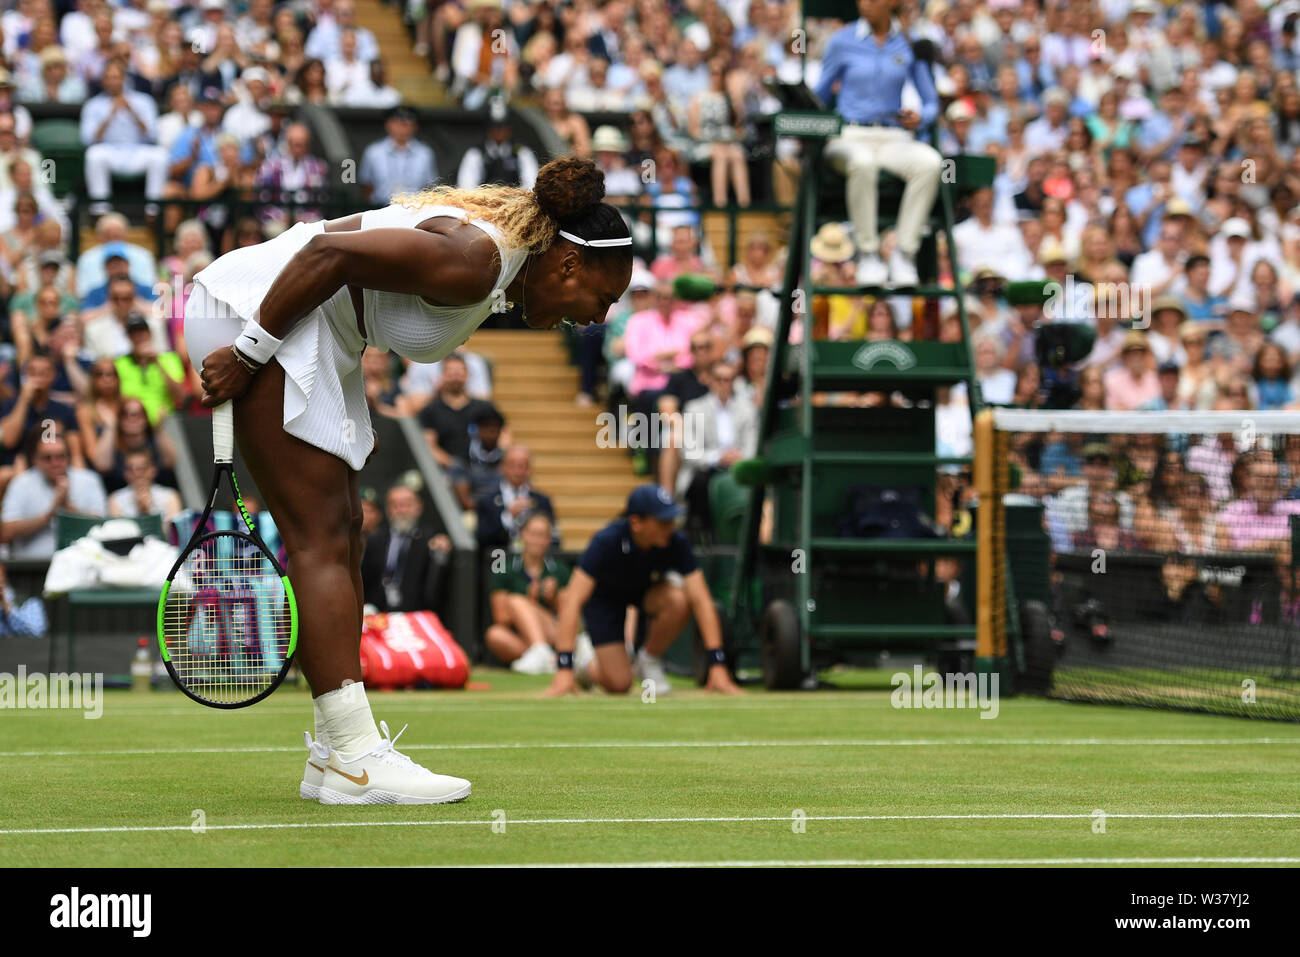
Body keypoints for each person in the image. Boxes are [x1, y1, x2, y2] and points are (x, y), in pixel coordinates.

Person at [189, 155, 632, 804]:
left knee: (346, 533)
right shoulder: (478, 260)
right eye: (602, 297)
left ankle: (334, 753)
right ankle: (356, 758)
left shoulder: (496, 265)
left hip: (306, 325)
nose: (597, 318)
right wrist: (249, 352)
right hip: (254, 314)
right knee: (318, 538)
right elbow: (329, 254)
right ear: (567, 266)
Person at [543, 484, 741, 697]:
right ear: (636, 523)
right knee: (619, 684)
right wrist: (564, 668)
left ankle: (649, 660)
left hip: (647, 594)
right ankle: (586, 664)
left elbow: (701, 600)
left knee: (679, 599)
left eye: (671, 520)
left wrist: (717, 664)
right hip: (605, 601)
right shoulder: (605, 541)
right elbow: (572, 600)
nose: (670, 527)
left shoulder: (677, 542)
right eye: (663, 521)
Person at [815, 0, 942, 286]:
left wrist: (920, 118)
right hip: (848, 134)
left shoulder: (909, 43)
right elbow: (819, 94)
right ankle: (868, 253)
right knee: (863, 162)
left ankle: (904, 253)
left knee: (931, 164)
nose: (864, 3)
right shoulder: (841, 41)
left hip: (893, 136)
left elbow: (931, 101)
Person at [485, 511, 571, 674]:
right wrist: (529, 598)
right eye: (533, 534)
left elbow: (569, 614)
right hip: (520, 635)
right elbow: (501, 617)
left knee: (516, 601)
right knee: (495, 634)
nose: (537, 541)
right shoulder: (504, 567)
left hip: (553, 632)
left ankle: (542, 653)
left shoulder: (560, 569)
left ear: (549, 540)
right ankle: (546, 656)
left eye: (542, 535)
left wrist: (553, 598)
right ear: (523, 536)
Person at [0, 430, 106, 560]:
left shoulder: (89, 480)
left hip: (81, 565)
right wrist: (48, 516)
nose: (55, 463)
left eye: (61, 456)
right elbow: (6, 531)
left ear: (69, 457)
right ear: (35, 459)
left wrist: (67, 506)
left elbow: (103, 526)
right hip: (30, 569)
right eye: (47, 458)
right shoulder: (21, 484)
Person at [359, 484, 452, 613]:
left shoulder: (430, 540)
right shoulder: (375, 540)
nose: (401, 510)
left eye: (407, 504)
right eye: (395, 505)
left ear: (419, 507)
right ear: (387, 509)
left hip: (415, 614)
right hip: (378, 612)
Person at [475, 445, 554, 548]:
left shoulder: (542, 501)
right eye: (512, 465)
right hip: (498, 559)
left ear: (530, 469)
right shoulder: (487, 501)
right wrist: (508, 516)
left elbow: (554, 539)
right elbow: (482, 539)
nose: (517, 471)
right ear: (502, 467)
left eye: (522, 466)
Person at [359, 106, 439, 204]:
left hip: (414, 210)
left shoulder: (425, 153)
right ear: (388, 125)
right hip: (381, 208)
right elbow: (366, 185)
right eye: (397, 123)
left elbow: (430, 187)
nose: (402, 128)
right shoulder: (374, 152)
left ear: (415, 126)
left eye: (406, 124)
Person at [107, 447, 182, 523]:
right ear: (125, 473)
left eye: (141, 468)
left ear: (153, 470)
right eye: (131, 469)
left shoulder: (170, 496)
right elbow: (119, 531)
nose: (137, 473)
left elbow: (172, 531)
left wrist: (149, 511)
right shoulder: (115, 499)